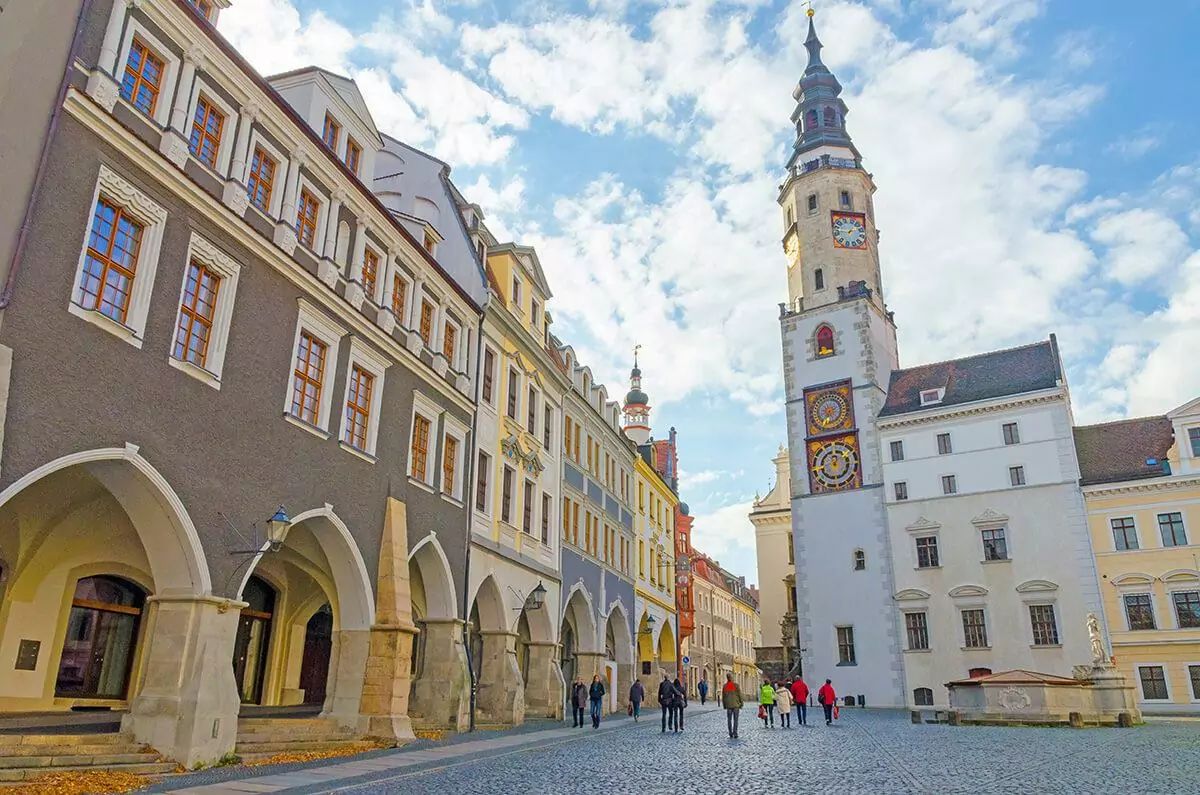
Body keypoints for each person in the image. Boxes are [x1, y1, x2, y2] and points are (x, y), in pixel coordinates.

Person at [721, 672, 743, 739]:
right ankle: (735, 733)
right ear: (732, 677)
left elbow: (723, 696)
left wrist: (724, 705)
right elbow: (739, 695)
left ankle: (730, 733)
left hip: (728, 705)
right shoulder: (736, 685)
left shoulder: (725, 686)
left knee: (729, 720)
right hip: (736, 705)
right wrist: (741, 703)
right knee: (735, 720)